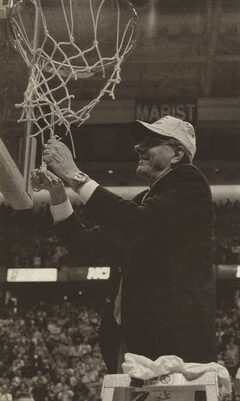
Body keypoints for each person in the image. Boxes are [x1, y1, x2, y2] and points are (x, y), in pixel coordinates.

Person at [32, 115, 216, 373]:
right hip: (138, 344)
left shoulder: (190, 183)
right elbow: (88, 247)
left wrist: (75, 176)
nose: (138, 147)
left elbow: (137, 220)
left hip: (175, 347)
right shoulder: (145, 202)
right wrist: (58, 195)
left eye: (151, 141)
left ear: (177, 153)